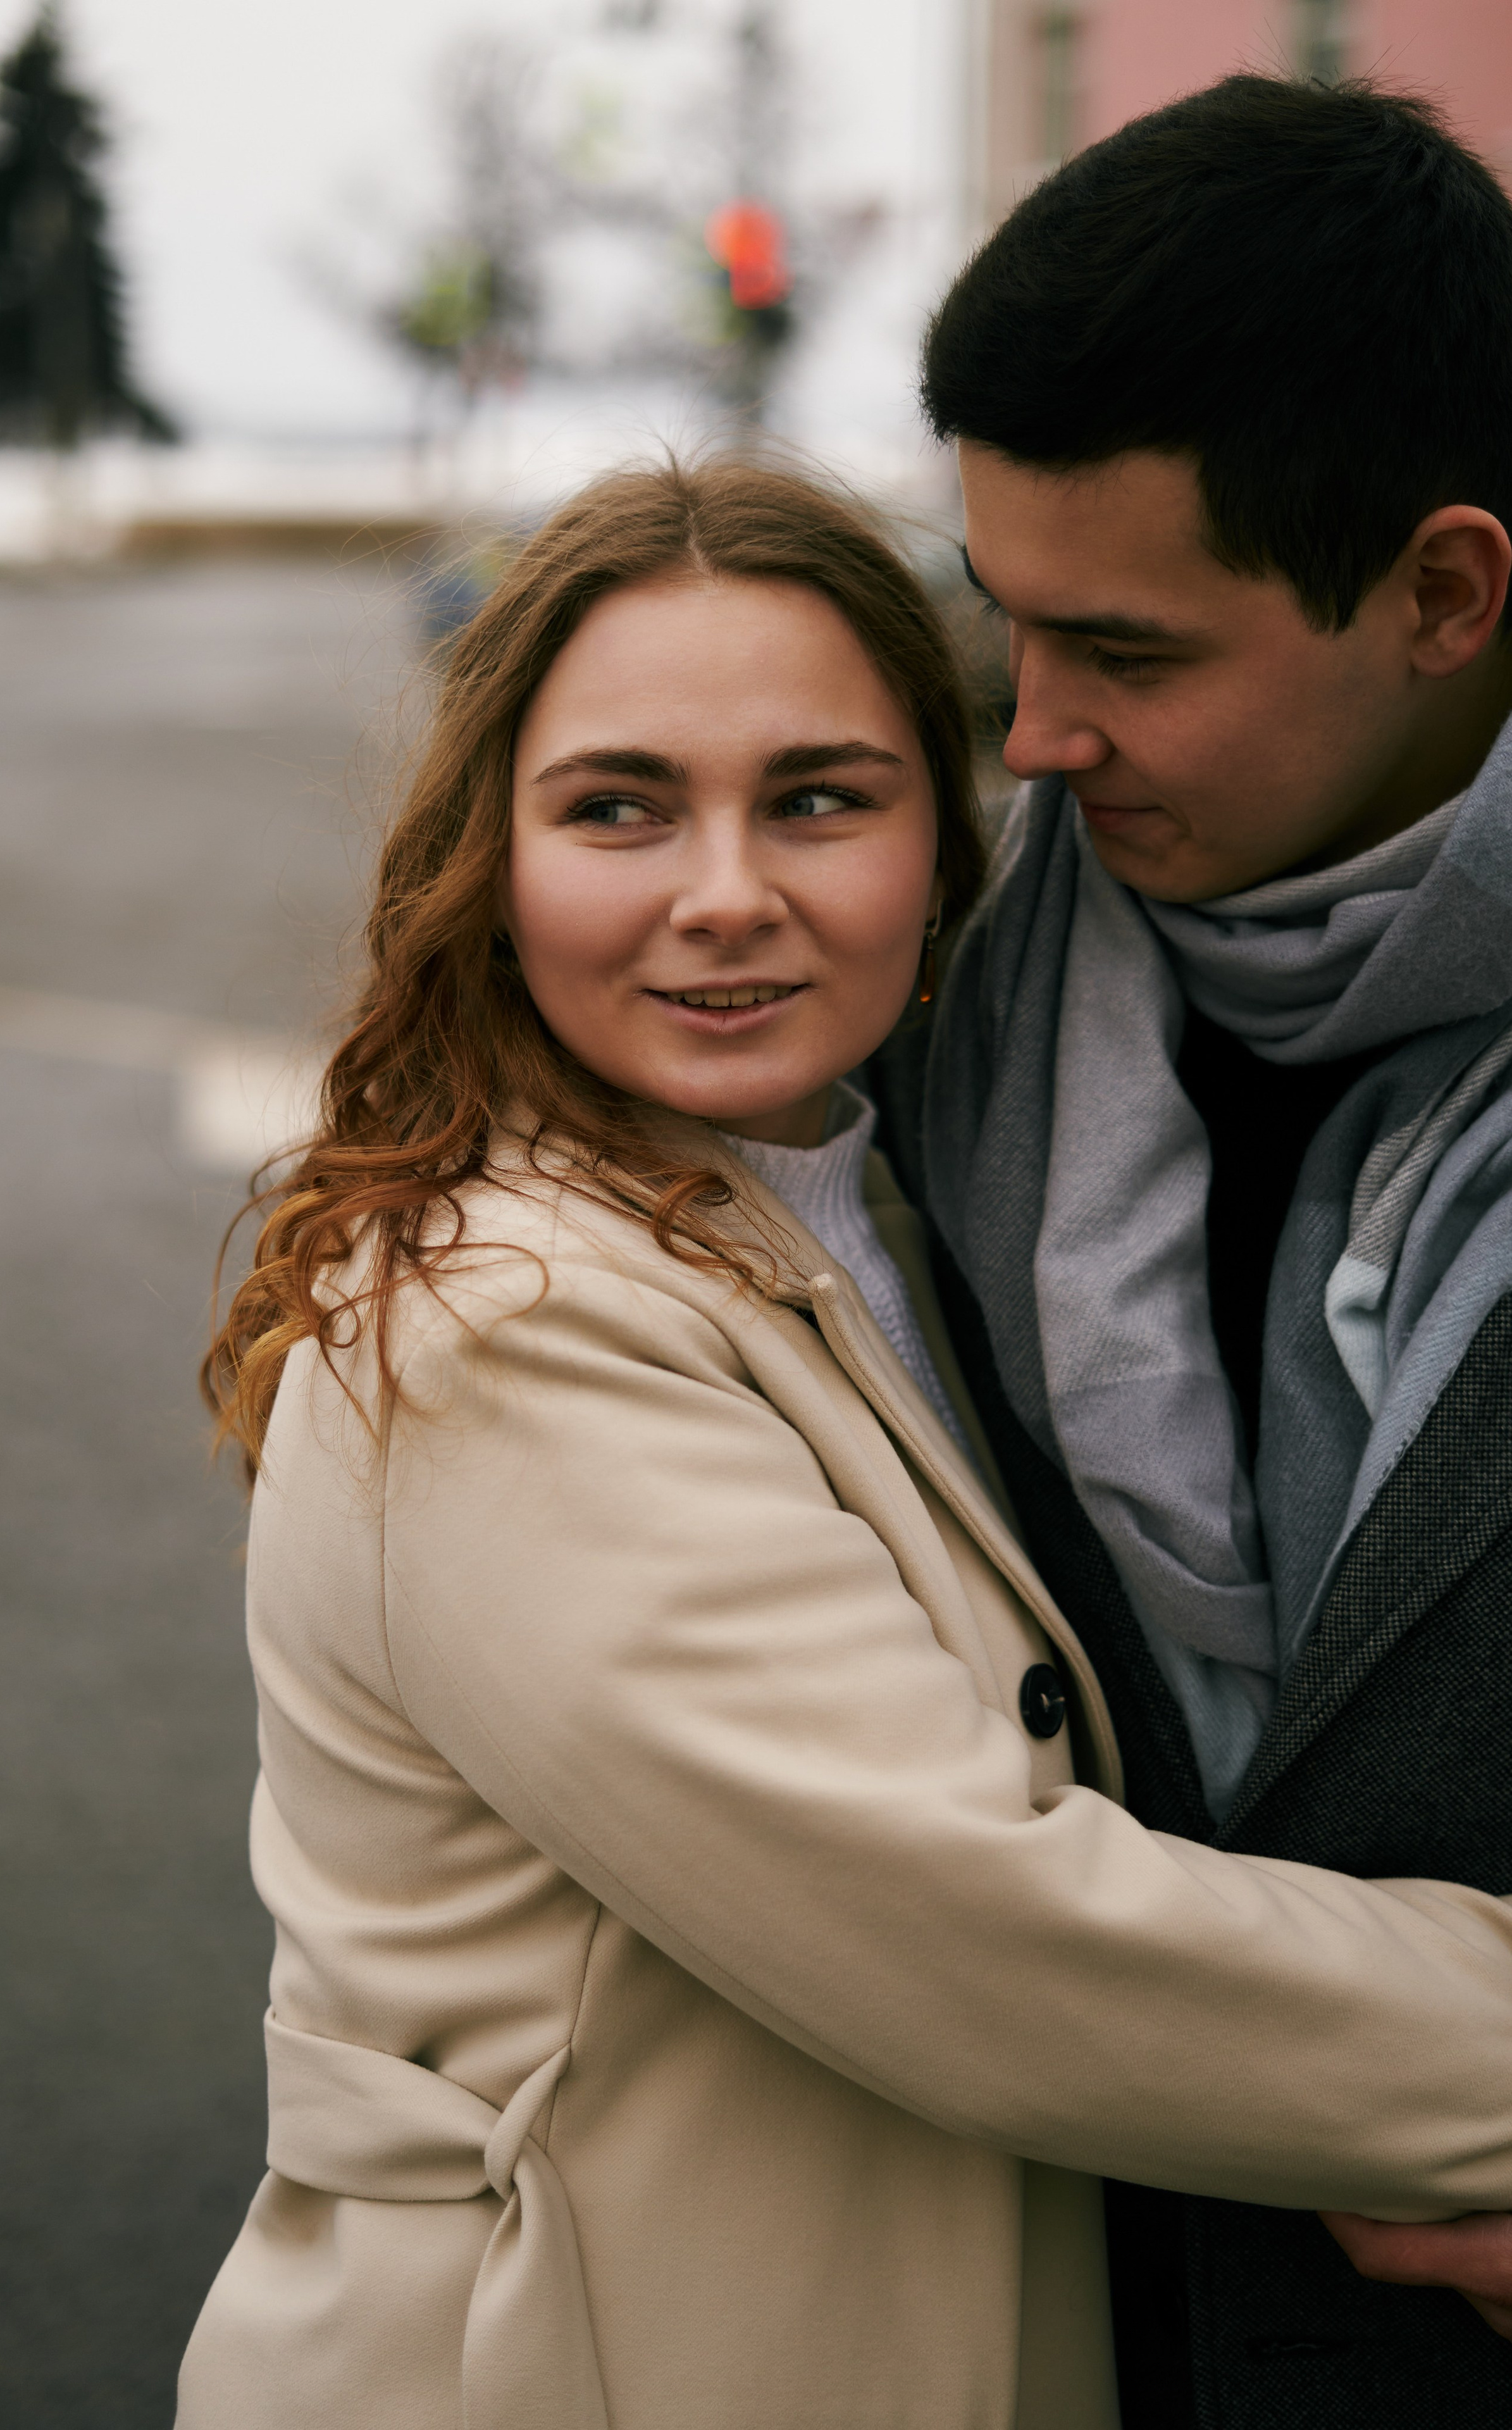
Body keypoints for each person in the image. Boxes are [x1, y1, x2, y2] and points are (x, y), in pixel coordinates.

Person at [178, 460, 1512, 2430]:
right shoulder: (505, 1326)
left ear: (942, 846)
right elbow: (999, 1937)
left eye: (820, 797)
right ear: (495, 852)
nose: (730, 894)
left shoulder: (860, 1213)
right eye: (621, 806)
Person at [891, 70, 1512, 2430]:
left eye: (1128, 653)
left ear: (1446, 592)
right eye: (1006, 625)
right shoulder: (938, 977)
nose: (1033, 740)